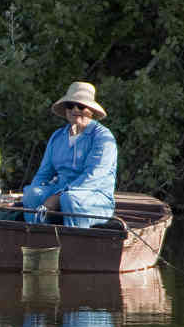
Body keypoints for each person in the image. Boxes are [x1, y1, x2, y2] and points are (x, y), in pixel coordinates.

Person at [22, 81, 117, 228]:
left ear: (90, 110)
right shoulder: (57, 136)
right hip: (60, 191)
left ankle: (73, 246)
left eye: (80, 106)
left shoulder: (102, 137)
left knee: (70, 199)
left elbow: (93, 176)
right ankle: (37, 240)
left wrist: (58, 197)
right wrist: (32, 195)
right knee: (32, 193)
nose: (75, 109)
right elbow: (43, 174)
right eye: (70, 105)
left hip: (95, 196)